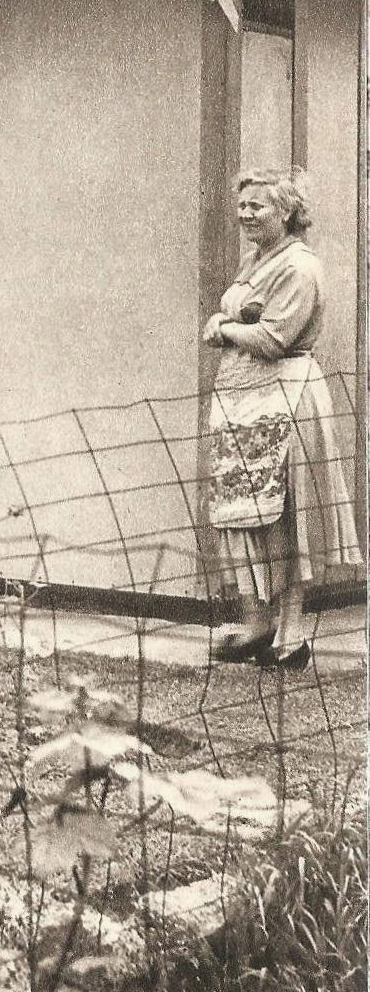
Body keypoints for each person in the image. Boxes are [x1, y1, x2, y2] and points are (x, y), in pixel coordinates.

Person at [204, 168, 361, 668]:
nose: (245, 214)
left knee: (285, 517)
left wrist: (223, 327)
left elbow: (274, 339)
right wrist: (235, 325)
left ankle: (290, 636)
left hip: (286, 398)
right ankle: (257, 621)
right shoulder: (256, 260)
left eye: (258, 206)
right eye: (242, 205)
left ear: (287, 211)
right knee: (241, 513)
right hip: (242, 399)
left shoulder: (299, 267)